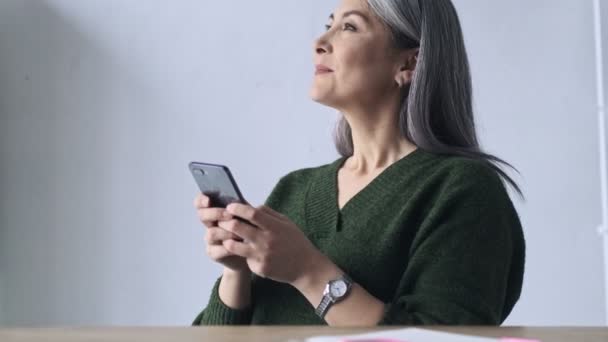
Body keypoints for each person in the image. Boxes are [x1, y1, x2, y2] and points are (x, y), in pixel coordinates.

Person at [191, 0, 525, 326]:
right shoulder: (294, 189)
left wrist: (308, 271)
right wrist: (236, 272)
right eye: (328, 25)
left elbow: (442, 338)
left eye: (349, 26)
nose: (319, 43)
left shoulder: (463, 190)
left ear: (409, 64)